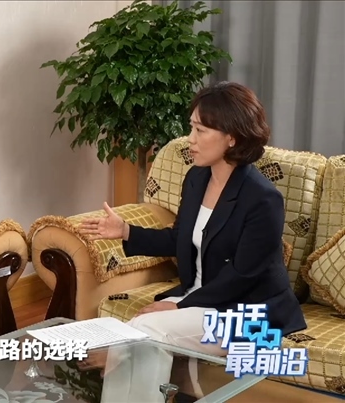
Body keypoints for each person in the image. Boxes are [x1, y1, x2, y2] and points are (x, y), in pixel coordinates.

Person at [78, 81, 307, 399]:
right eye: (191, 128)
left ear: (231, 137)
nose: (190, 139)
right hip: (202, 301)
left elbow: (242, 276)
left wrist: (177, 305)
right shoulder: (197, 178)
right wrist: (126, 231)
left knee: (148, 330)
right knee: (141, 330)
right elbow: (180, 239)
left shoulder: (263, 199)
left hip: (248, 313)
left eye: (201, 130)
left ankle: (118, 357)